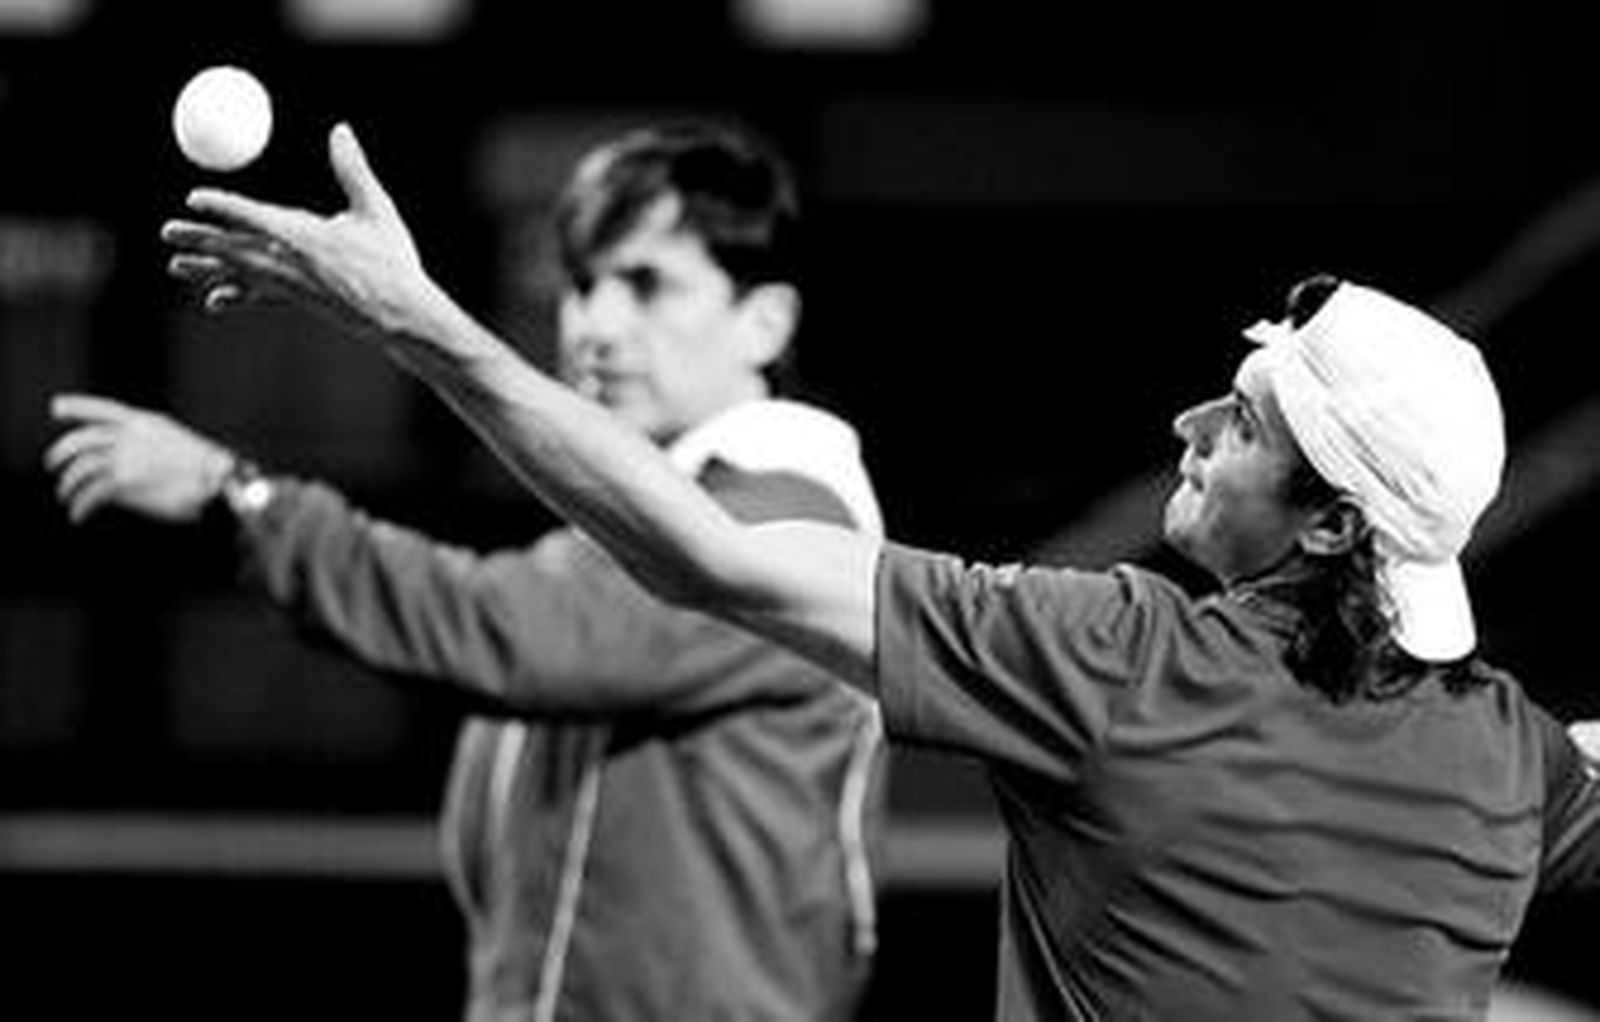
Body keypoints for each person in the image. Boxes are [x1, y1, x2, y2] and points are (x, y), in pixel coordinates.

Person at [154, 123, 1600, 1019]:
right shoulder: (1506, 759)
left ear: (1337, 522)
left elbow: (699, 556)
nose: (1193, 423)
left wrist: (412, 323)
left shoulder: (1120, 659)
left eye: (1245, 418)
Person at [49, 123, 889, 1022]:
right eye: (581, 283)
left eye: (647, 283)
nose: (595, 324)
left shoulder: (787, 520)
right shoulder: (653, 514)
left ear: (767, 322)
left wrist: (237, 495)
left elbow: (505, 629)